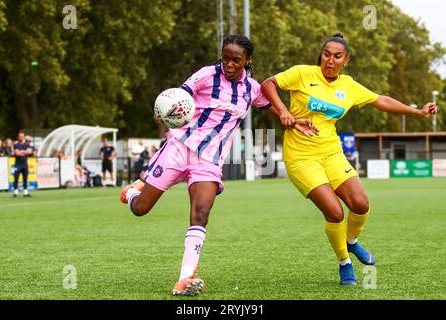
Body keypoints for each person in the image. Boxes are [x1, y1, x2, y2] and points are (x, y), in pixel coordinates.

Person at [119, 34, 318, 296]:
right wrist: (162, 113)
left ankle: (185, 278)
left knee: (201, 211)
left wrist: (293, 119)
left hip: (209, 161)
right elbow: (177, 99)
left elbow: (277, 111)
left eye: (236, 60)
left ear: (247, 61)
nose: (229, 64)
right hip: (178, 148)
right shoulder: (205, 76)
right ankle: (132, 192)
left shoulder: (252, 89)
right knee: (141, 208)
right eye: (226, 58)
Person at [261, 33, 437, 286]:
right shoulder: (302, 73)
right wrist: (284, 112)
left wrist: (417, 112)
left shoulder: (349, 86)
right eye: (326, 54)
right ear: (321, 55)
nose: (330, 60)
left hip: (331, 152)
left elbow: (381, 100)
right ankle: (345, 263)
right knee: (335, 212)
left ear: (346, 59)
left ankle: (351, 242)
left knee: (361, 204)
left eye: (337, 56)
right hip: (301, 157)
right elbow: (268, 84)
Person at [13, 131, 33, 197]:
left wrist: (22, 151)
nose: (21, 137)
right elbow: (17, 153)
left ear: (24, 137)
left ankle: (25, 192)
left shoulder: (27, 145)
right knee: (16, 178)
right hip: (18, 164)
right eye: (20, 136)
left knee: (25, 178)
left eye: (22, 136)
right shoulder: (16, 145)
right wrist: (25, 152)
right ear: (18, 137)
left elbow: (29, 152)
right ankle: (16, 192)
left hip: (25, 164)